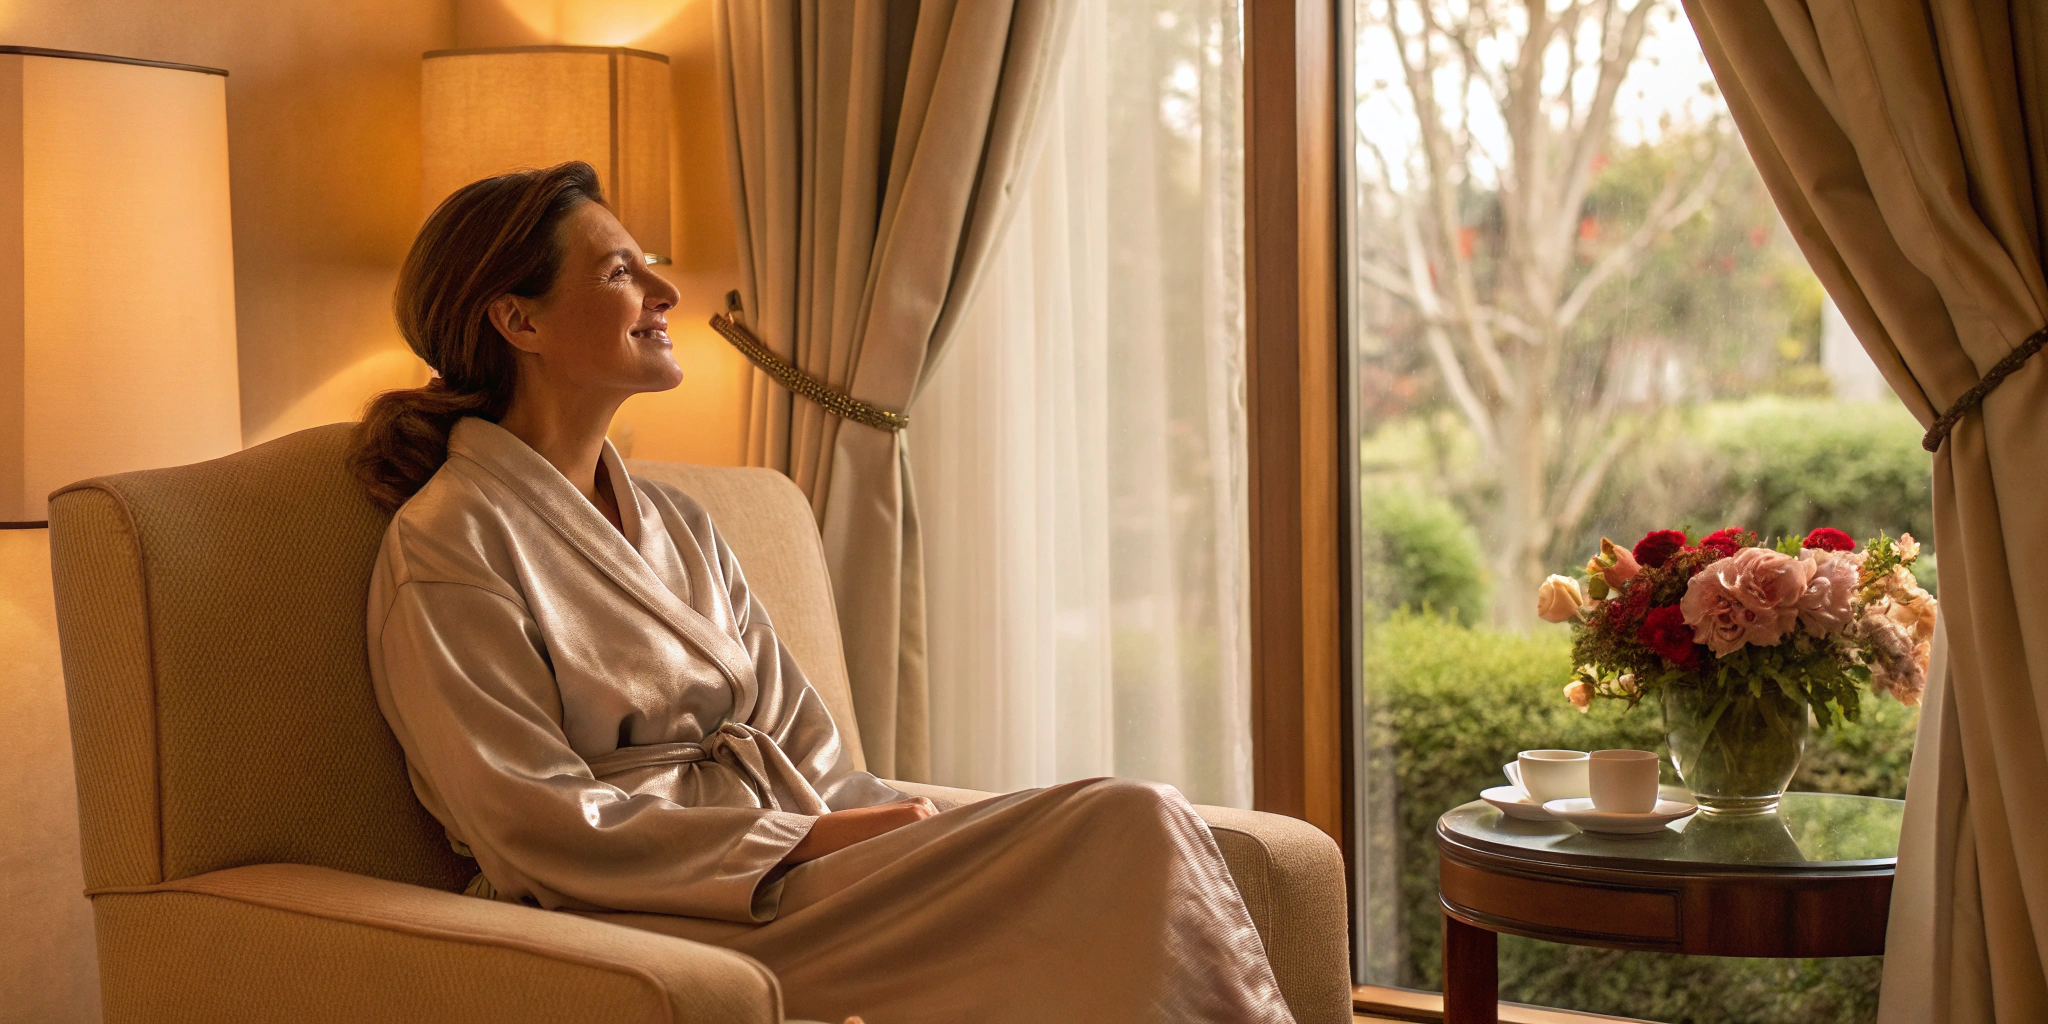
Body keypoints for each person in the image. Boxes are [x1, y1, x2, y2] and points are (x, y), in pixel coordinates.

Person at [355, 161, 1294, 1024]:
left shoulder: (681, 521)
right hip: (653, 913)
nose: (666, 293)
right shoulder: (449, 541)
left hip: (793, 873)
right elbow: (532, 823)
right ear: (517, 321)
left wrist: (879, 831)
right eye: (619, 274)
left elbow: (811, 745)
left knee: (1129, 830)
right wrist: (800, 845)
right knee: (1129, 822)